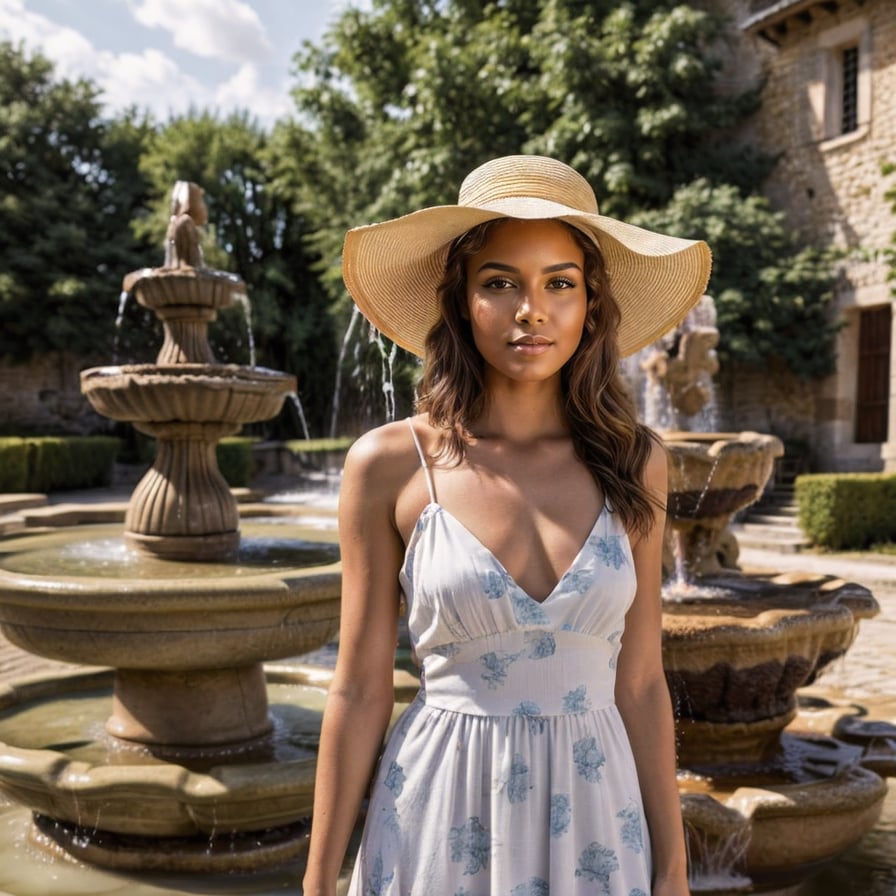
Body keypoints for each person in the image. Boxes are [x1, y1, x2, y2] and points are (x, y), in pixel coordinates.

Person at [302, 155, 711, 896]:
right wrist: (318, 878)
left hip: (598, 815)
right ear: (461, 301)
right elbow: (359, 689)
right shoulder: (391, 464)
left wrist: (674, 865)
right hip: (438, 809)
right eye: (500, 283)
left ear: (591, 303)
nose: (532, 310)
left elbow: (643, 682)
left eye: (560, 282)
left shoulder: (636, 461)